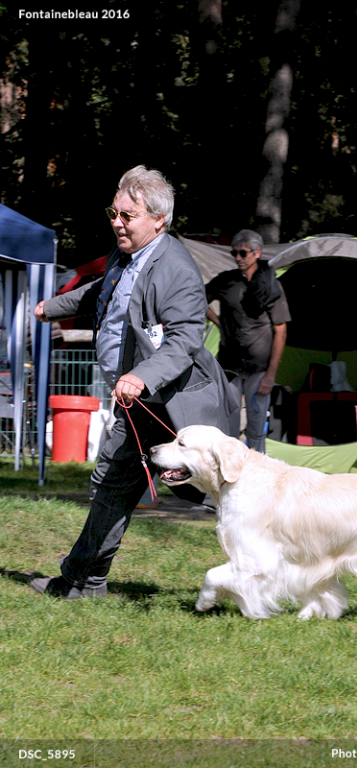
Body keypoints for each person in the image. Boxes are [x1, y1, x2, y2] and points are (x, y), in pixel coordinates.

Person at [31, 165, 237, 599]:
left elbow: (185, 340)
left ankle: (264, 573)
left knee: (232, 498)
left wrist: (140, 377)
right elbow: (101, 292)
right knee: (113, 483)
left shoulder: (175, 268)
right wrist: (50, 307)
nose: (117, 222)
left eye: (128, 216)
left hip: (169, 402)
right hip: (138, 401)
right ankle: (82, 580)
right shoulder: (124, 254)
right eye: (114, 212)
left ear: (159, 220)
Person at [205, 229, 291, 451]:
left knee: (256, 428)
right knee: (229, 427)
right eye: (235, 253)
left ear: (257, 252)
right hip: (229, 366)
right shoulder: (226, 281)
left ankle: (258, 477)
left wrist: (271, 375)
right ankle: (230, 477)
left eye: (243, 253)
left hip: (259, 369)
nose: (238, 258)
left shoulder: (271, 285)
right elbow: (197, 298)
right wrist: (217, 322)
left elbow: (281, 331)